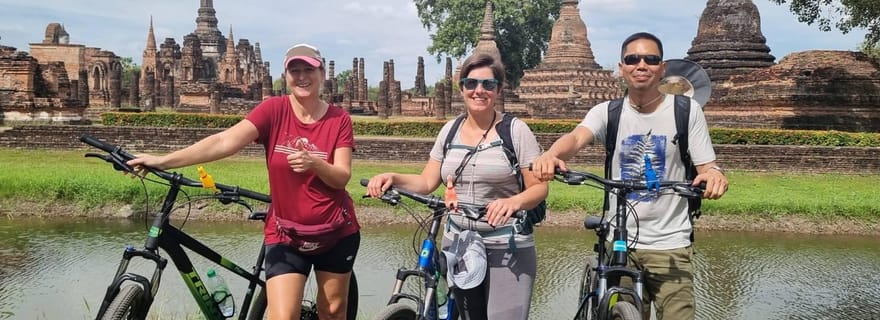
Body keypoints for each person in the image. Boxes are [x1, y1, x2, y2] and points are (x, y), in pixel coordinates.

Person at [127, 43, 359, 320]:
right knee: (282, 316)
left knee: (332, 311)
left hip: (335, 231)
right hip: (286, 233)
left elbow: (342, 177)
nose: (302, 77)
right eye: (294, 70)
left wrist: (316, 164)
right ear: (285, 76)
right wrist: (162, 160)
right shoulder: (273, 110)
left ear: (321, 73)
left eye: (308, 69)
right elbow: (224, 141)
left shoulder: (338, 119)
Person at [530, 32, 729, 320]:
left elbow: (707, 166)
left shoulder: (686, 111)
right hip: (622, 240)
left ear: (662, 68)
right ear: (621, 67)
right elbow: (575, 138)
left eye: (651, 59)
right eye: (633, 59)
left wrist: (714, 177)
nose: (641, 65)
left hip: (670, 243)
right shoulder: (607, 112)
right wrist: (551, 155)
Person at [365, 53, 548, 320]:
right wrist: (393, 176)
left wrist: (513, 202)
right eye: (471, 83)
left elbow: (539, 189)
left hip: (507, 245)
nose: (479, 91)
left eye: (488, 84)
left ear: (498, 89)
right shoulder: (450, 130)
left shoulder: (516, 131)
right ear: (461, 88)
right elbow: (427, 182)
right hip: (460, 241)